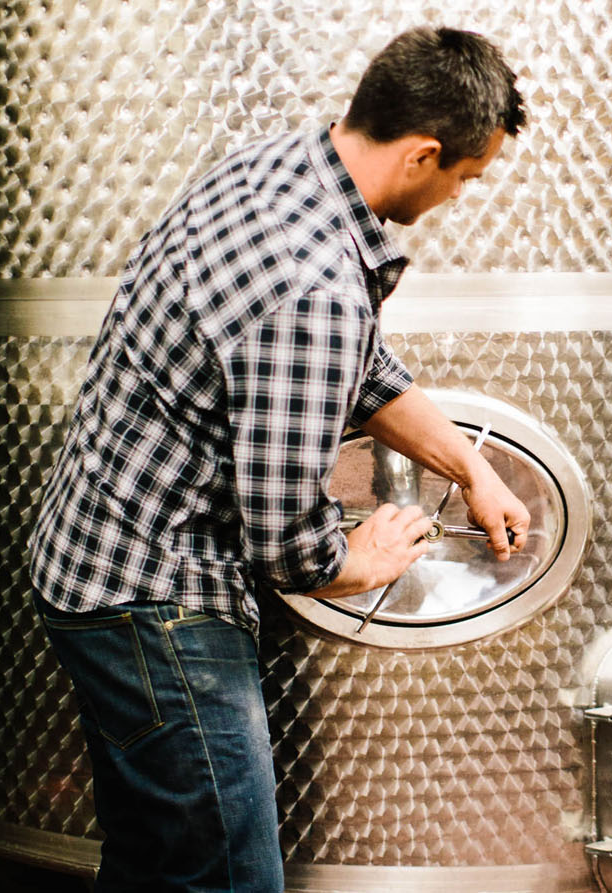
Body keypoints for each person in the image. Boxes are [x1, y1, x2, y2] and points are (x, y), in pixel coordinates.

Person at [27, 26, 530, 893]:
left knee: (154, 861)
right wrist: (352, 560)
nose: (456, 196)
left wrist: (471, 469)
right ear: (422, 154)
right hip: (156, 603)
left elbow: (362, 371)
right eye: (463, 177)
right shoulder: (312, 286)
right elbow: (285, 544)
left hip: (89, 561)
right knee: (229, 878)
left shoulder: (281, 170)